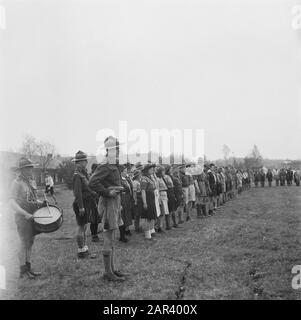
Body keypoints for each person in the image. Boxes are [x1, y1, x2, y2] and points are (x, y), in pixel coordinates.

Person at [89, 136, 129, 282]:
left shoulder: (113, 164)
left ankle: (112, 269)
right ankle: (108, 273)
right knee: (108, 238)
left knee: (111, 237)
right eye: (117, 148)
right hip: (108, 203)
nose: (119, 151)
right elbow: (92, 183)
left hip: (115, 201)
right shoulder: (105, 164)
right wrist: (107, 192)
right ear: (110, 150)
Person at [9, 157, 43, 279]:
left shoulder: (31, 181)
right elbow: (12, 202)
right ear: (22, 169)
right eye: (28, 168)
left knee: (30, 242)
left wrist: (40, 202)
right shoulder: (16, 183)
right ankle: (22, 271)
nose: (30, 169)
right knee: (24, 243)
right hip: (22, 217)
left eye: (31, 167)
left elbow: (33, 199)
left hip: (32, 216)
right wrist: (24, 214)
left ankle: (29, 268)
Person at [72, 151, 98, 259]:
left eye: (85, 160)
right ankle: (81, 251)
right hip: (81, 203)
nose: (85, 162)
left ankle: (84, 249)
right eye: (83, 161)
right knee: (81, 226)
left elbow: (88, 187)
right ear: (78, 162)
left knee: (84, 226)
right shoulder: (77, 175)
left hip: (87, 202)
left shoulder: (83, 174)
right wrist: (81, 206)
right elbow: (78, 192)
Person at [140, 163, 158, 240]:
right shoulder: (144, 178)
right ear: (147, 170)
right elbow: (143, 191)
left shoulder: (150, 177)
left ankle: (151, 231)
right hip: (147, 198)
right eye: (151, 169)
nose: (153, 170)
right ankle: (147, 235)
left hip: (151, 198)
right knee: (148, 217)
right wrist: (144, 202)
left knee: (151, 216)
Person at [119, 165, 133, 242]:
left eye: (126, 171)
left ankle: (126, 230)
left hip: (127, 199)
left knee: (127, 215)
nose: (126, 172)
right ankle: (122, 235)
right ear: (120, 172)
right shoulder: (119, 180)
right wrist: (120, 203)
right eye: (124, 171)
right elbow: (120, 192)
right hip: (122, 199)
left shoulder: (126, 179)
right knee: (123, 216)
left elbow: (130, 187)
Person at [156, 166, 171, 230]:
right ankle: (159, 226)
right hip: (161, 195)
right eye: (163, 171)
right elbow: (158, 189)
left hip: (164, 195)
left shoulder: (162, 178)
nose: (164, 172)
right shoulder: (158, 179)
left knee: (164, 212)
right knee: (162, 212)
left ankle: (161, 226)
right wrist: (159, 198)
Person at [89, 163, 101, 242]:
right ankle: (94, 235)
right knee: (94, 218)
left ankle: (95, 234)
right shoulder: (91, 178)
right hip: (93, 200)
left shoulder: (97, 177)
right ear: (94, 169)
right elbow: (90, 190)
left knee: (96, 218)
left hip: (97, 198)